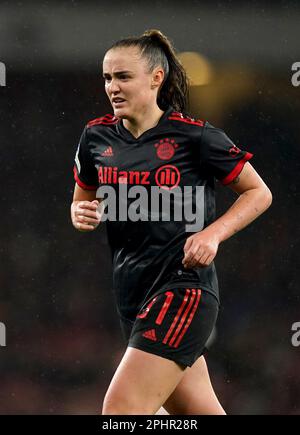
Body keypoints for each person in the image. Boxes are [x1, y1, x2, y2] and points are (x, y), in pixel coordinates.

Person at [70, 29, 272, 415]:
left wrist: (213, 234)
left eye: (123, 77)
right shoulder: (95, 137)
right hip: (132, 298)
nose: (112, 87)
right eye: (107, 78)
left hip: (183, 292)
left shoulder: (195, 137)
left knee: (121, 410)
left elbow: (259, 192)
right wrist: (81, 214)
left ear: (156, 78)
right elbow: (81, 203)